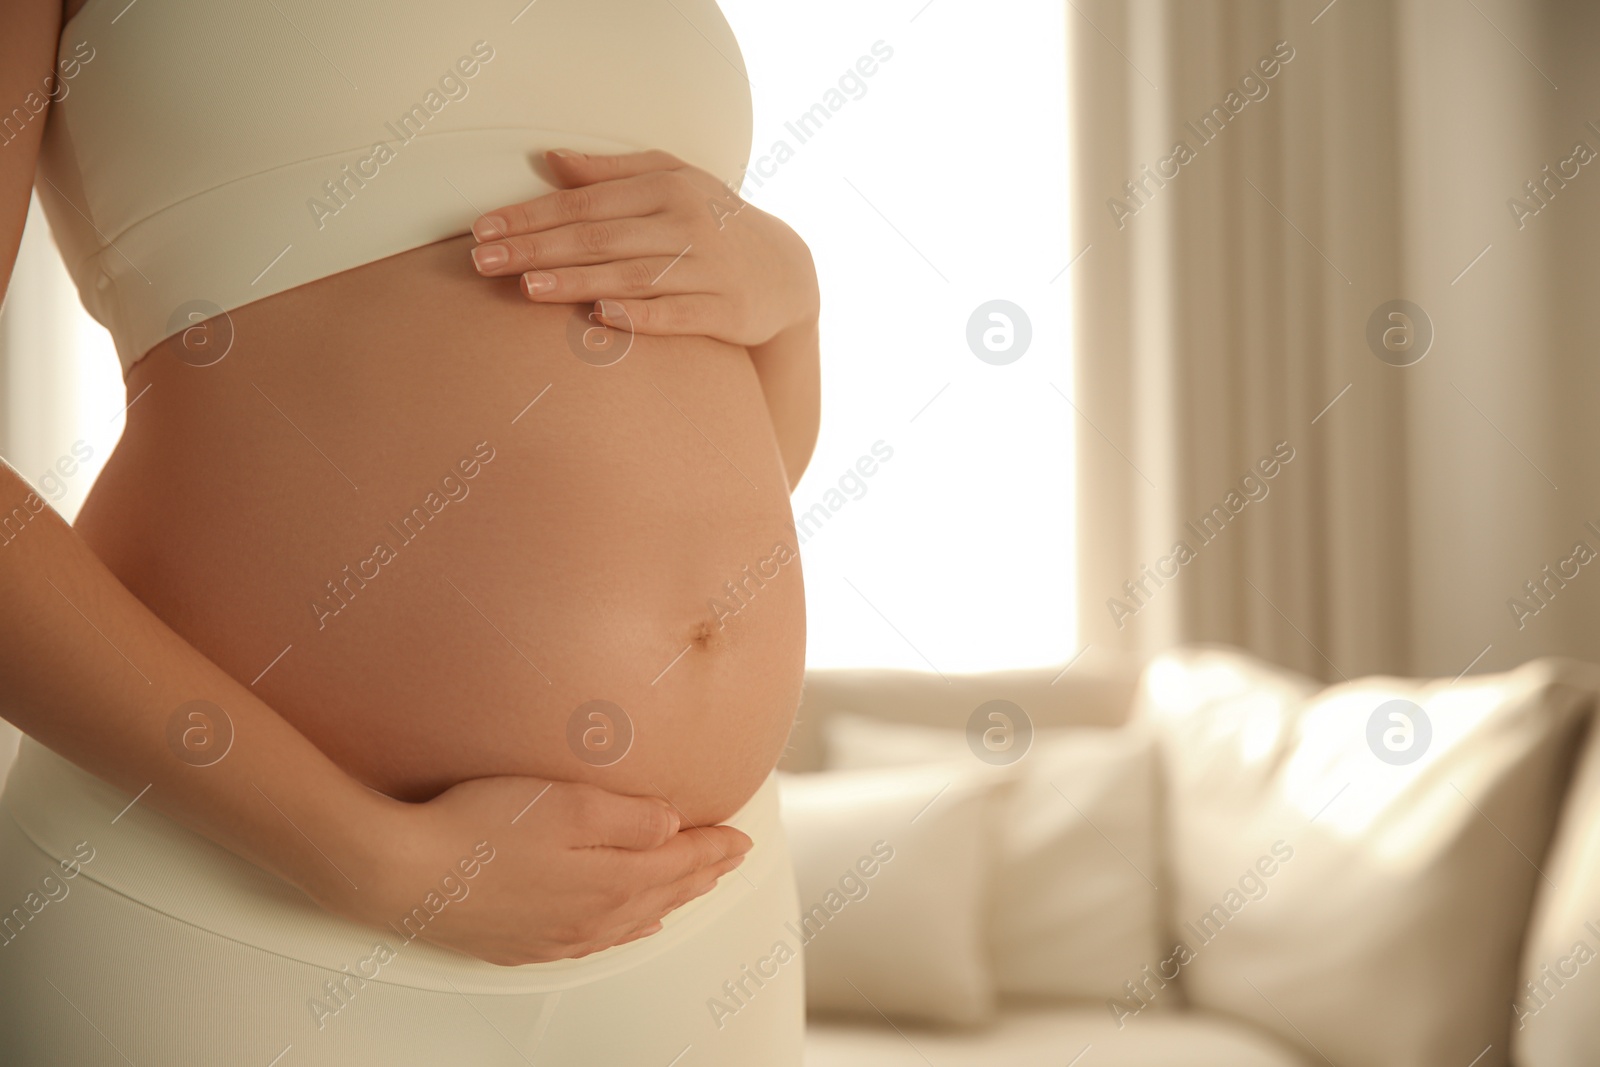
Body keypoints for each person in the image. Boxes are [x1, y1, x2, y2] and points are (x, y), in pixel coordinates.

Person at [0, 0, 820, 1062]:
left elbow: (709, 478)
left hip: (694, 905)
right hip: (224, 906)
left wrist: (789, 303)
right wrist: (374, 858)